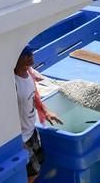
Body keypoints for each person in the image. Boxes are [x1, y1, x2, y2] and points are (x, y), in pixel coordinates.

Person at [15, 45, 63, 183]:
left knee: (39, 163)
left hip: (32, 131)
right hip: (22, 138)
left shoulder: (29, 73)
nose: (30, 58)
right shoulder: (13, 82)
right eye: (26, 55)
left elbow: (34, 95)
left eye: (31, 54)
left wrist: (46, 111)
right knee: (32, 173)